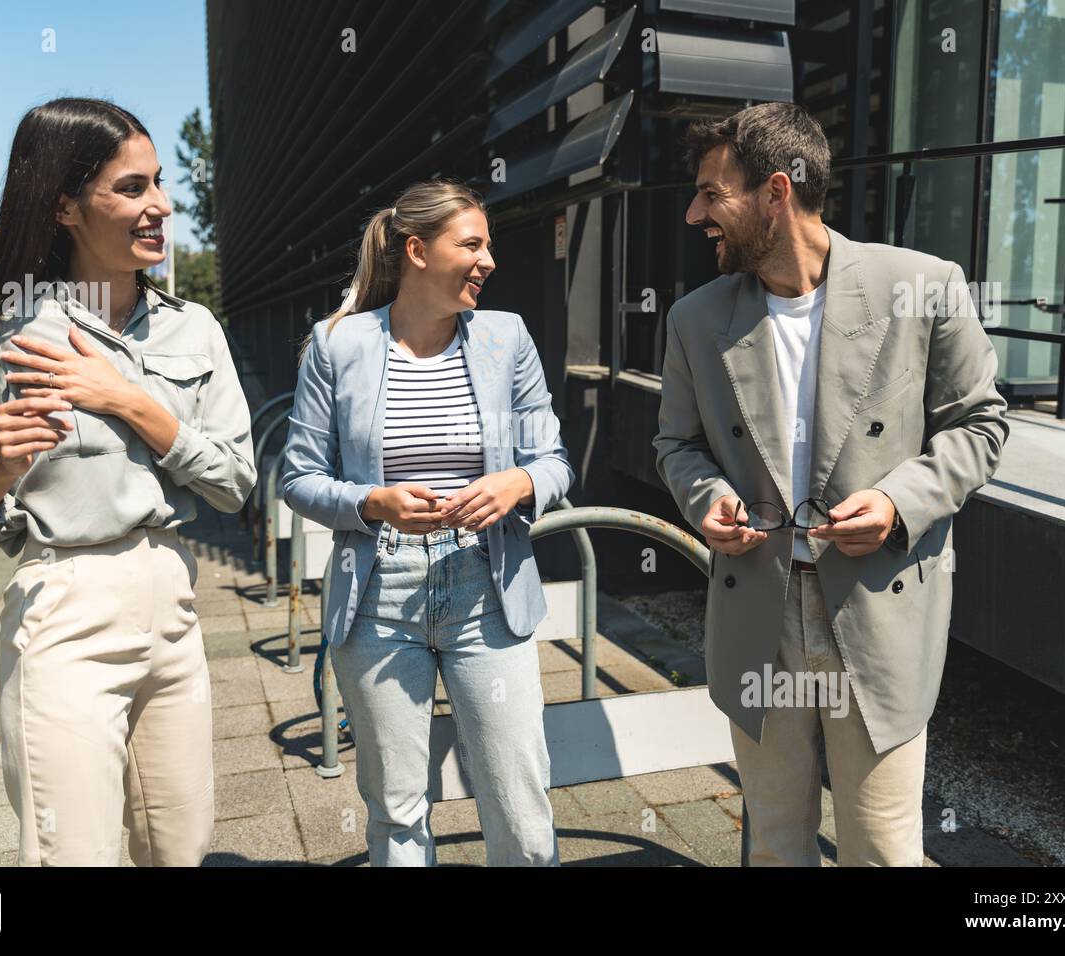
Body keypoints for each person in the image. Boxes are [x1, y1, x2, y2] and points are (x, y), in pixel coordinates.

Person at [654, 102, 1009, 866]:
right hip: (759, 616)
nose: (695, 214)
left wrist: (896, 501)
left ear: (776, 193)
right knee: (776, 845)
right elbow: (676, 444)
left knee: (881, 849)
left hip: (877, 615)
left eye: (712, 194)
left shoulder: (924, 286)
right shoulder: (694, 318)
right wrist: (705, 497)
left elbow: (981, 427)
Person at [0, 97, 256, 866]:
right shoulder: (4, 332)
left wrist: (127, 401)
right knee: (69, 852)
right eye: (132, 188)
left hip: (173, 604)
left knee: (182, 848)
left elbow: (236, 483)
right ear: (67, 207)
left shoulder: (194, 328)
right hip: (66, 608)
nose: (160, 206)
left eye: (159, 185)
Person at [282, 178, 574, 866]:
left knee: (520, 805)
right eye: (472, 244)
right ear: (417, 250)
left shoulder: (507, 338)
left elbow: (553, 460)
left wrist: (522, 482)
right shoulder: (339, 346)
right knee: (398, 811)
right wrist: (372, 503)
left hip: (486, 590)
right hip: (379, 593)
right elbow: (298, 476)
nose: (489, 260)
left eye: (489, 245)